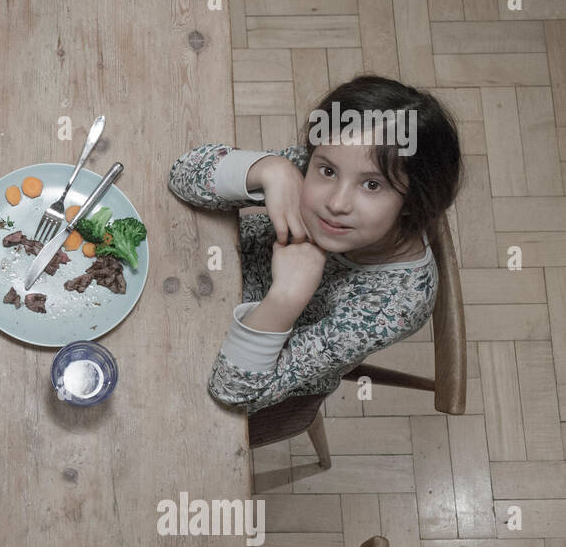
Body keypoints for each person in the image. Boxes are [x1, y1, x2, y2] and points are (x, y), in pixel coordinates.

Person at [167, 75, 464, 414]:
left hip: (252, 352)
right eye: (327, 171)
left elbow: (234, 391)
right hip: (210, 273)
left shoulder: (394, 306)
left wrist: (286, 298)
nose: (336, 203)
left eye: (371, 185)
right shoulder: (322, 162)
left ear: (415, 199)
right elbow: (182, 176)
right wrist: (270, 169)